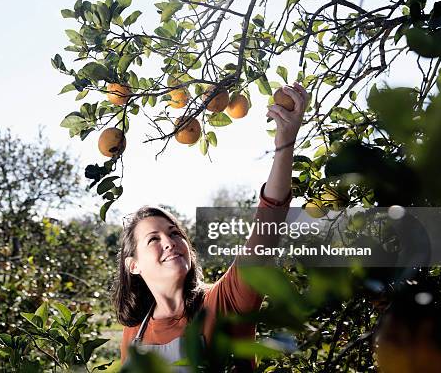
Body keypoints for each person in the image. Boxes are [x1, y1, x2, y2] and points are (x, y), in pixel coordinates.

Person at [112, 82, 309, 371]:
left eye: (175, 233)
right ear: (133, 265)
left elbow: (269, 222)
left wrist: (285, 143)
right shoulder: (133, 335)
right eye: (153, 239)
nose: (169, 242)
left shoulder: (223, 302)